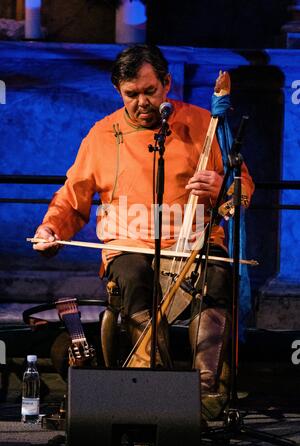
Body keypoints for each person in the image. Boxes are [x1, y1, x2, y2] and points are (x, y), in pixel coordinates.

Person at [33, 44, 254, 418]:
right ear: (119, 92)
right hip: (129, 246)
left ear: (166, 84)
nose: (142, 103)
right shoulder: (103, 134)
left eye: (150, 91)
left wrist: (221, 187)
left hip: (195, 244)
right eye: (131, 95)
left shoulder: (205, 125)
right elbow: (74, 196)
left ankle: (204, 396)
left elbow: (243, 186)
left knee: (217, 277)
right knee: (135, 278)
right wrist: (51, 227)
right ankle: (148, 387)